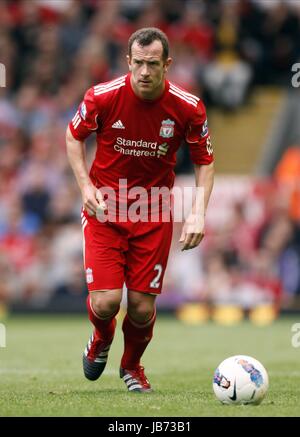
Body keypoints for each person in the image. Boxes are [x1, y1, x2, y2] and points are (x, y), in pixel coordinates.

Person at [66, 27, 214, 393]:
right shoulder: (102, 97)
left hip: (153, 212)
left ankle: (131, 366)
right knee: (105, 302)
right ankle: (101, 338)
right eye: (138, 63)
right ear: (127, 61)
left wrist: (197, 212)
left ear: (167, 63)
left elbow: (205, 162)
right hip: (105, 208)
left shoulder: (188, 107)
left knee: (142, 310)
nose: (145, 71)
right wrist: (85, 186)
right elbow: (73, 136)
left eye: (152, 64)